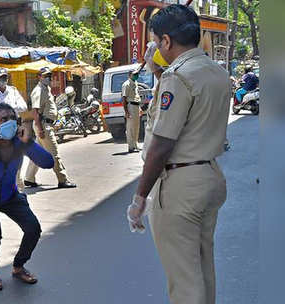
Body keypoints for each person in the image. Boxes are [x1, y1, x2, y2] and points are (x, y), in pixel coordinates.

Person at [127, 5, 229, 304]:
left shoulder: (178, 77)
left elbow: (161, 144)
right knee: (202, 267)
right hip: (209, 175)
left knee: (184, 279)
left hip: (181, 184)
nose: (156, 47)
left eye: (157, 41)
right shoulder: (215, 72)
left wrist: (139, 197)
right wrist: (159, 74)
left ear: (167, 41)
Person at [0, 103, 54, 291]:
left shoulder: (19, 142)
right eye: (3, 120)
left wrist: (28, 143)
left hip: (10, 196)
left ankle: (18, 266)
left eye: (12, 119)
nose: (10, 123)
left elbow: (48, 162)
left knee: (33, 228)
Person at [24, 67, 77, 189]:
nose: (48, 78)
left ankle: (29, 178)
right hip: (43, 125)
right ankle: (62, 179)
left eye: (49, 76)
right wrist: (40, 129)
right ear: (39, 77)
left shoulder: (46, 89)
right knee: (54, 154)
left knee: (38, 154)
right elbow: (35, 112)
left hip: (46, 125)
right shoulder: (38, 91)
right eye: (45, 76)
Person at [122, 70, 142, 153]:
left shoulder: (135, 83)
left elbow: (136, 96)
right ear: (129, 75)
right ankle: (131, 147)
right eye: (134, 74)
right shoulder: (126, 84)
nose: (136, 75)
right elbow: (124, 99)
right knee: (130, 128)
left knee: (136, 127)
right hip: (130, 106)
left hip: (136, 106)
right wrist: (126, 111)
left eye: (137, 74)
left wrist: (139, 108)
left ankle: (135, 145)